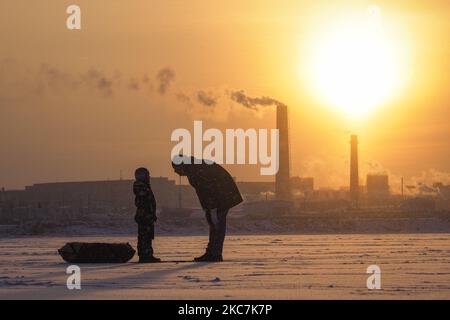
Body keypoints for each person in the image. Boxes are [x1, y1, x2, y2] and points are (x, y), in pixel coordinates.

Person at [172, 155, 243, 262]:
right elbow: (205, 191)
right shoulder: (195, 167)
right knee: (214, 224)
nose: (175, 172)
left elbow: (207, 190)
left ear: (181, 165)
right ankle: (212, 252)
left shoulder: (197, 170)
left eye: (176, 168)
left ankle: (215, 253)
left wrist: (212, 207)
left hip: (222, 199)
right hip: (221, 198)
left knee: (217, 225)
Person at [133, 167, 161, 263]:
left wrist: (152, 214)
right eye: (147, 175)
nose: (149, 177)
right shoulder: (139, 185)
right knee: (144, 236)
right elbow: (144, 199)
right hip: (144, 215)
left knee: (148, 236)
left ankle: (148, 254)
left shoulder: (145, 185)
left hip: (148, 215)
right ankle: (145, 255)